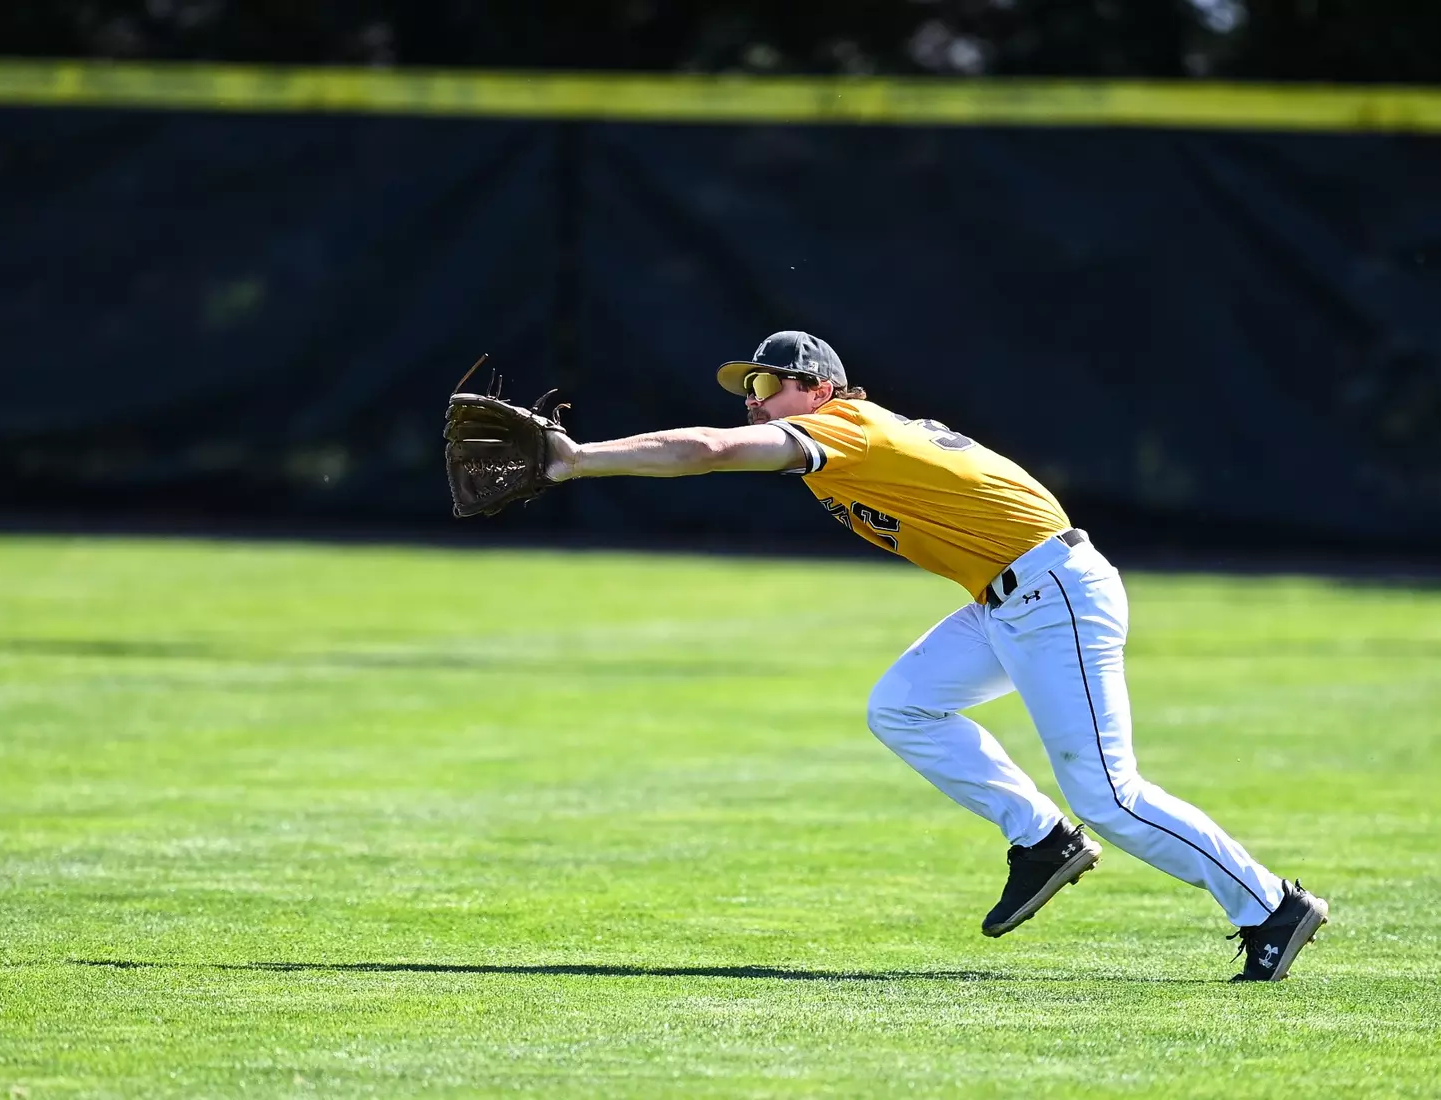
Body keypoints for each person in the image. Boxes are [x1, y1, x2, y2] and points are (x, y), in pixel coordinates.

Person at [542, 330, 1328, 982]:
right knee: (903, 705)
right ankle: (1040, 838)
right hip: (1010, 595)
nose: (752, 398)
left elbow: (709, 449)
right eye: (746, 386)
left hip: (1052, 592)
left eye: (767, 381)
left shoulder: (847, 425)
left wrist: (578, 458)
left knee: (1109, 794)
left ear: (820, 388)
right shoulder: (846, 440)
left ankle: (1271, 906)